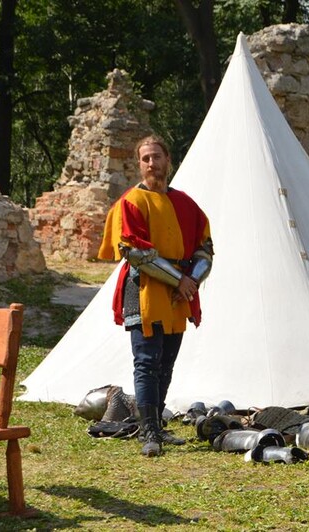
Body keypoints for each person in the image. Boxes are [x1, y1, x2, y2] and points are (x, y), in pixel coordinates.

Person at [98, 135, 214, 456]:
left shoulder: (187, 204)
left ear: (168, 160)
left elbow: (205, 248)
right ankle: (148, 431)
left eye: (157, 157)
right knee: (147, 362)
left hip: (178, 294)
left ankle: (157, 427)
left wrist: (190, 281)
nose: (152, 163)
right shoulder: (132, 202)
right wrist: (181, 281)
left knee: (167, 362)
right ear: (139, 164)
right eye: (146, 158)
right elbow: (135, 252)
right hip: (145, 288)